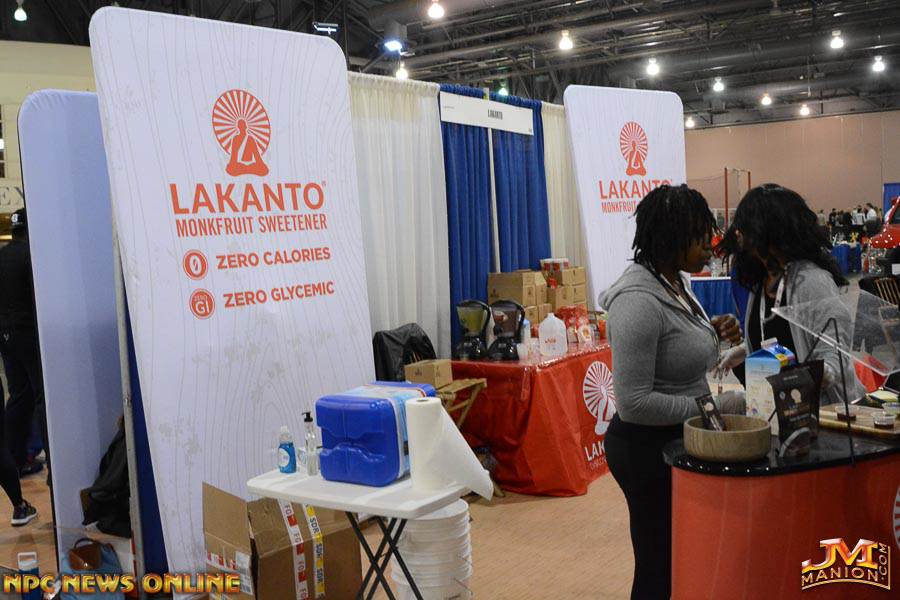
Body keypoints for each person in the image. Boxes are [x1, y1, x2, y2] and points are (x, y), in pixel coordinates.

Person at [599, 184, 744, 600]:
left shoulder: (675, 282)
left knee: (682, 559)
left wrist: (709, 333)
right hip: (644, 449)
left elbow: (673, 346)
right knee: (658, 565)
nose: (708, 247)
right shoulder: (637, 302)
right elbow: (634, 403)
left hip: (675, 439)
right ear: (670, 239)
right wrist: (709, 407)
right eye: (699, 238)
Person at [715, 184, 866, 407]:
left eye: (745, 226)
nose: (738, 233)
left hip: (823, 411)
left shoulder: (812, 281)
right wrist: (744, 352)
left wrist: (804, 376)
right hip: (778, 410)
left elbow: (834, 357)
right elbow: (779, 342)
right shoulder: (760, 282)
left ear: (767, 230)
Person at [0, 209, 50, 479]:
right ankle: (56, 467)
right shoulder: (33, 255)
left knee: (19, 396)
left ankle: (14, 461)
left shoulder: (3, 255)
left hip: (5, 335)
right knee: (43, 398)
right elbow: (37, 297)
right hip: (29, 334)